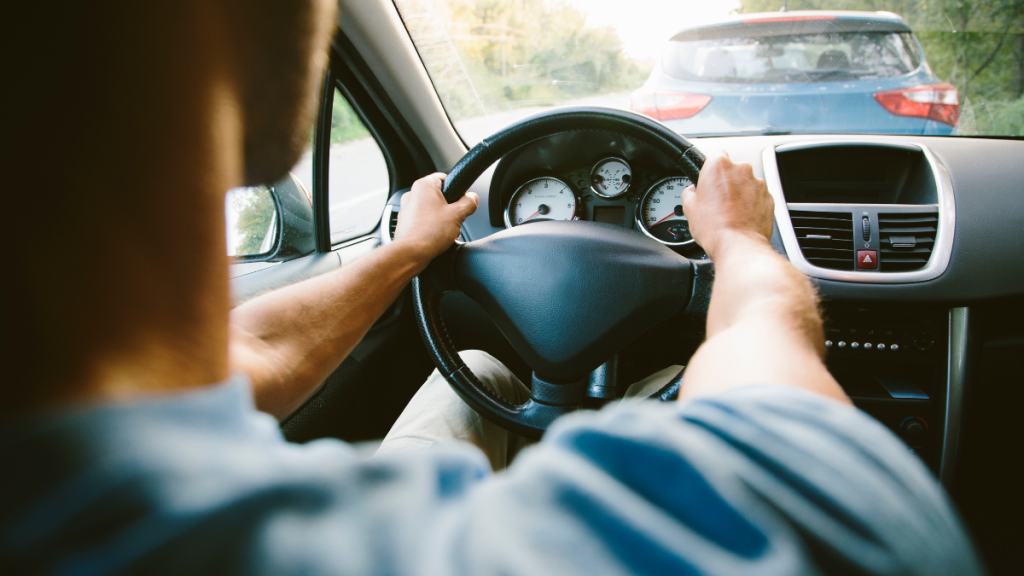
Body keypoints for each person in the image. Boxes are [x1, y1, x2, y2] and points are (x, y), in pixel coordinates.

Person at [1, 1, 983, 574]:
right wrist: (736, 248)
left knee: (477, 362)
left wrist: (401, 254)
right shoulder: (735, 524)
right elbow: (780, 387)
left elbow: (249, 354)